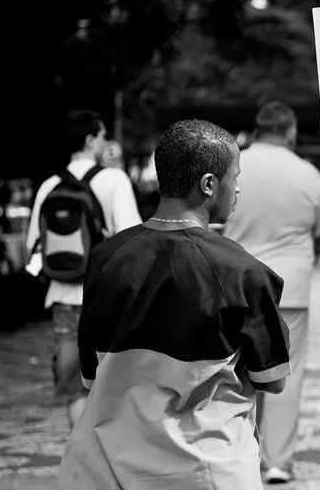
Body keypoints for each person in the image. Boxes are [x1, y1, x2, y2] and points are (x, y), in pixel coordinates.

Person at [58, 119, 291, 490]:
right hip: (205, 470)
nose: (239, 187)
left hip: (106, 467)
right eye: (236, 175)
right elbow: (273, 379)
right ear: (209, 185)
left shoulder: (105, 259)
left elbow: (91, 378)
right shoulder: (243, 272)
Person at [222, 102, 320, 484]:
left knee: (237, 372)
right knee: (287, 372)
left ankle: (239, 452)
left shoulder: (232, 166)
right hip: (291, 288)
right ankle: (278, 462)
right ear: (290, 130)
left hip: (236, 283)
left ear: (257, 128)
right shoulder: (307, 173)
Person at [25, 110, 141, 429]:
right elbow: (132, 242)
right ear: (91, 140)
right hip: (107, 299)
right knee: (114, 383)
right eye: (103, 136)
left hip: (63, 298)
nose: (106, 142)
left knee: (74, 387)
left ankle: (83, 458)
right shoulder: (114, 179)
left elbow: (34, 245)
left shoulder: (50, 184)